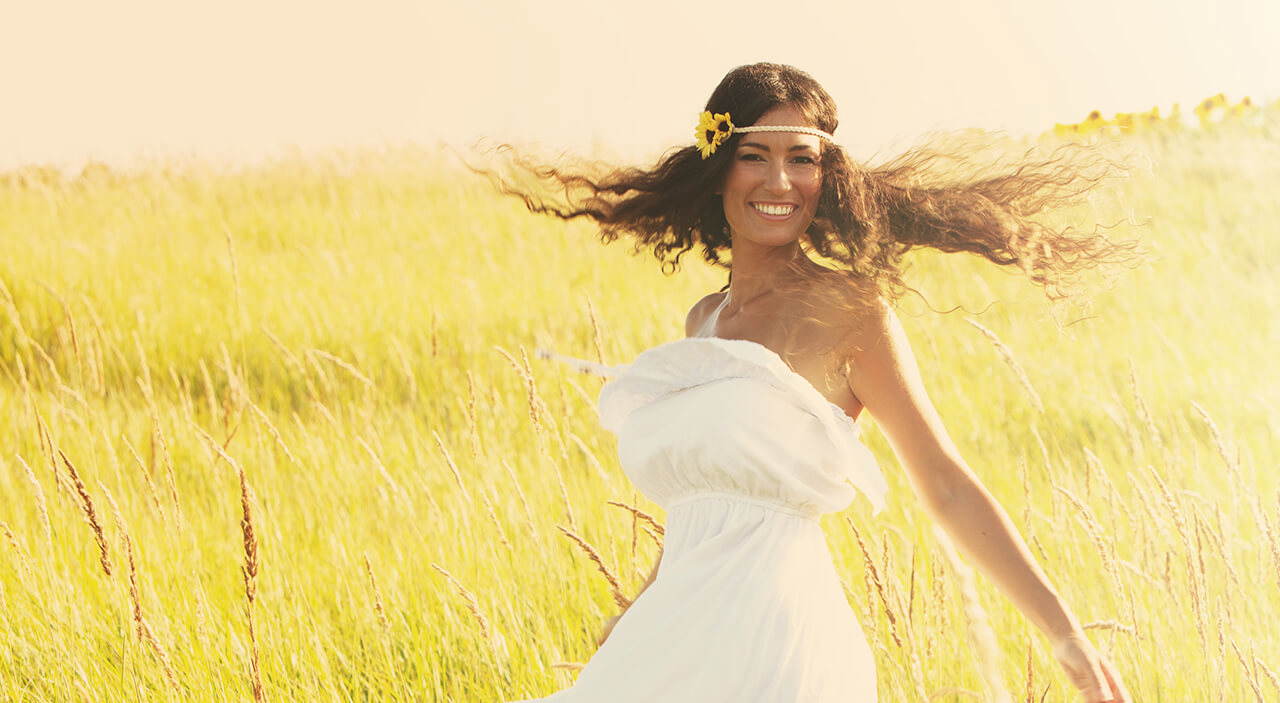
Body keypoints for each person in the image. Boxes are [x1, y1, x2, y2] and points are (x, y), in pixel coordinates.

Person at [481, 62, 1141, 703]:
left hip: (777, 644)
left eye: (802, 159)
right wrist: (637, 614)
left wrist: (1066, 636)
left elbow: (944, 484)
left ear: (827, 176)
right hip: (677, 635)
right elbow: (709, 503)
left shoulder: (849, 311)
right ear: (718, 167)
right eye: (754, 156)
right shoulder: (704, 319)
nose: (780, 180)